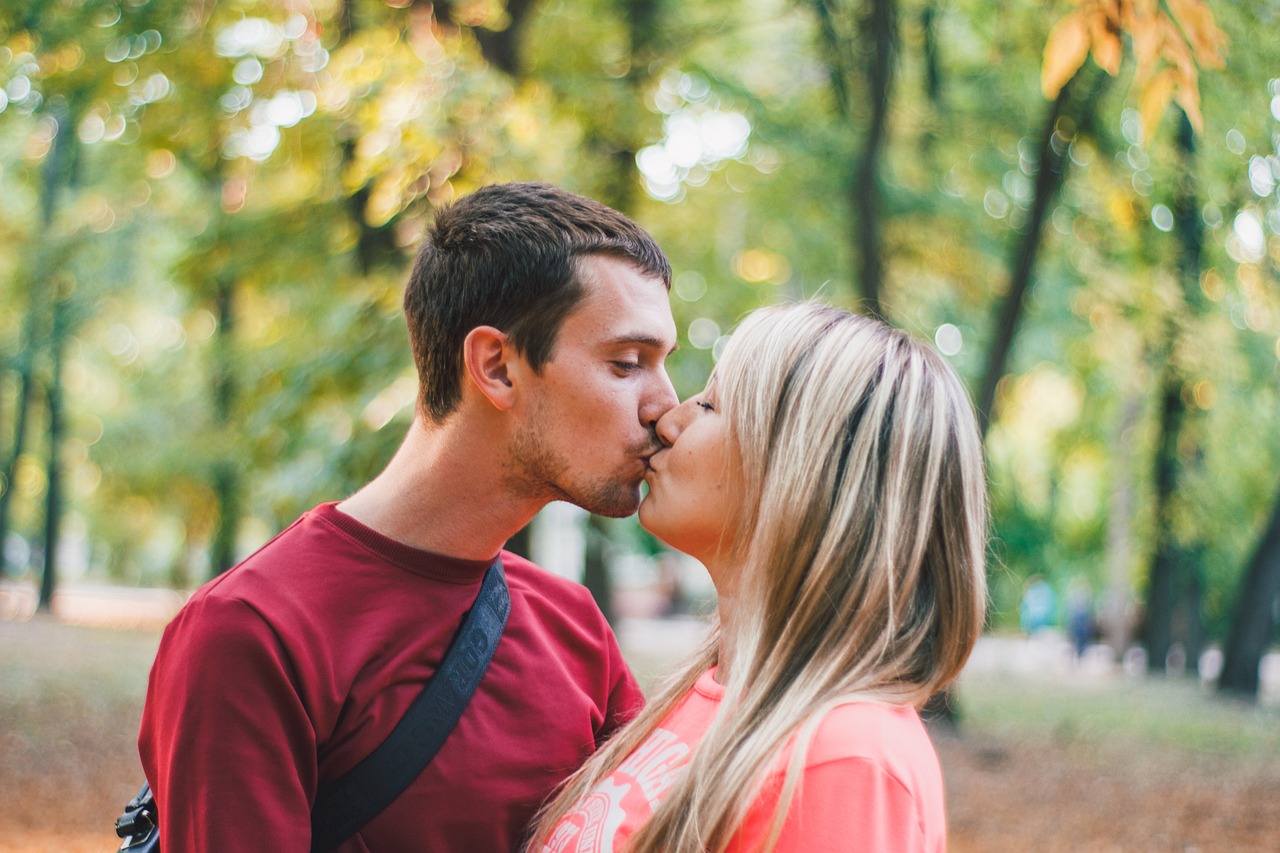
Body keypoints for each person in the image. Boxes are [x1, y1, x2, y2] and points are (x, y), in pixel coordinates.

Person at [138, 182, 681, 852]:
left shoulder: (575, 628)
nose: (666, 405)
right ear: (497, 366)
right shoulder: (252, 634)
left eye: (664, 365)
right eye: (627, 364)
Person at [529, 302, 989, 853]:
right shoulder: (706, 699)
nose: (669, 420)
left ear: (803, 468)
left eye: (712, 404)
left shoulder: (845, 759)